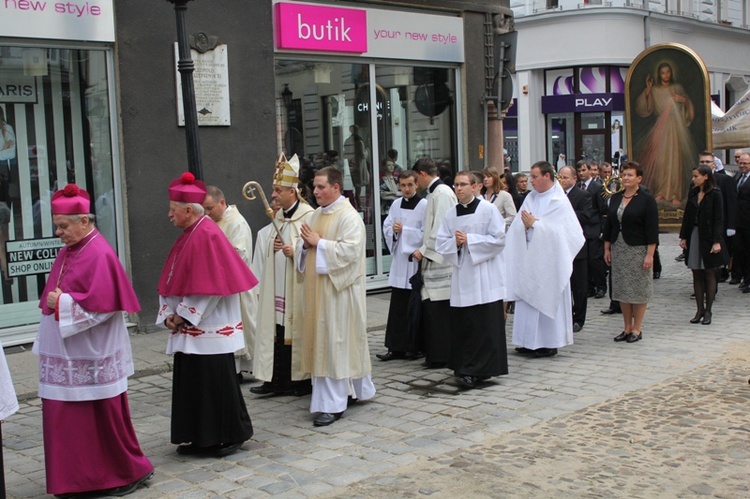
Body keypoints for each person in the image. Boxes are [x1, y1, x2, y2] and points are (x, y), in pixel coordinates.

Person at [32, 184, 153, 496]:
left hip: (91, 355)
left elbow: (104, 307)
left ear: (84, 221)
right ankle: (75, 479)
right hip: (69, 354)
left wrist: (64, 304)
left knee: (100, 420)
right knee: (67, 421)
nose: (58, 232)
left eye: (63, 225)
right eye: (56, 225)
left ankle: (120, 474)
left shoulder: (99, 253)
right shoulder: (70, 249)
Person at [157, 172, 256, 457]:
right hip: (190, 325)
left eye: (173, 209)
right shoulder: (190, 234)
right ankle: (200, 436)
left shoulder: (207, 234)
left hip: (208, 324)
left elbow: (210, 287)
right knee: (193, 383)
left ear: (189, 209)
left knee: (215, 385)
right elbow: (171, 278)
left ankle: (230, 434)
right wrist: (168, 314)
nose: (169, 215)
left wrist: (184, 316)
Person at [297, 166, 375, 426]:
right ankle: (351, 391)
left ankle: (333, 404)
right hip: (319, 291)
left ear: (336, 188)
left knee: (335, 345)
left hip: (339, 294)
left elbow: (350, 253)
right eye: (314, 186)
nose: (315, 191)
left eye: (321, 187)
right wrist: (305, 245)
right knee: (328, 344)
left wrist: (319, 243)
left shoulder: (349, 216)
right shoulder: (317, 214)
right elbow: (306, 245)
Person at [505, 161, 585, 358]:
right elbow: (517, 224)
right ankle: (527, 341)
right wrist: (524, 227)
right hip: (529, 255)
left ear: (547, 176)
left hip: (551, 260)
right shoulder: (531, 198)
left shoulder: (559, 201)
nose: (530, 181)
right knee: (527, 298)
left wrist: (535, 226)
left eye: (534, 177)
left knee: (547, 297)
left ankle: (548, 342)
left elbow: (565, 234)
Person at [251, 154, 315, 396]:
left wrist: (293, 250)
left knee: (294, 332)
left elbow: (314, 251)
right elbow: (269, 247)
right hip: (277, 287)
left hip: (296, 289)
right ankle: (274, 380)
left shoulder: (308, 216)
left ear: (293, 191)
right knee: (276, 333)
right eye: (273, 190)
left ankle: (299, 382)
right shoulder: (278, 216)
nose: (274, 196)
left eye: (278, 191)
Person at [436, 172, 507, 388]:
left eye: (463, 185)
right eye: (456, 185)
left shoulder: (488, 209)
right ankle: (465, 367)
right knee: (465, 324)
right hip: (463, 275)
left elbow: (499, 239)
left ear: (475, 186)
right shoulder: (450, 214)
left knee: (484, 324)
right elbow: (441, 243)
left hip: (485, 275)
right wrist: (455, 245)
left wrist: (470, 239)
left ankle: (483, 369)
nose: (458, 189)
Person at [203, 185, 257, 378]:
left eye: (210, 208)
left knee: (240, 325)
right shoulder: (211, 221)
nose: (207, 213)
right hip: (219, 284)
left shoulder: (237, 223)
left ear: (222, 202)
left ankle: (241, 370)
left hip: (236, 284)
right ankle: (230, 369)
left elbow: (239, 255)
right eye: (205, 209)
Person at [603, 162, 659, 343]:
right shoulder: (616, 197)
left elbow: (652, 229)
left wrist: (650, 254)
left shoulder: (646, 199)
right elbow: (609, 224)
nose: (626, 178)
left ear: (639, 178)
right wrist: (607, 247)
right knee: (622, 288)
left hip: (638, 248)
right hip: (619, 247)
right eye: (623, 174)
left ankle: (637, 328)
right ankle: (626, 327)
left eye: (630, 175)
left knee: (638, 289)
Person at [377, 170, 427, 361]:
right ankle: (394, 347)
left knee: (413, 306)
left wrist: (405, 231)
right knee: (397, 306)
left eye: (410, 185)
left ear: (416, 185)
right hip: (399, 261)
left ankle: (413, 347)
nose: (406, 189)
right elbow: (387, 226)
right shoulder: (396, 204)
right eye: (403, 185)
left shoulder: (424, 205)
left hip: (414, 260)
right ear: (398, 185)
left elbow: (427, 232)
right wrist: (394, 232)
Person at [412, 158, 457, 368]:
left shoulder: (442, 193)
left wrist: (423, 251)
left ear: (422, 173)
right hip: (434, 259)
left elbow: (441, 228)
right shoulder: (434, 193)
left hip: (441, 261)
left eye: (416, 178)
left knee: (440, 311)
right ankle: (436, 354)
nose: (416, 182)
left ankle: (442, 355)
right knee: (433, 310)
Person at [635, 61, 696, 205]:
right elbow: (646, 109)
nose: (666, 75)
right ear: (659, 74)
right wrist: (648, 90)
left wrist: (683, 100)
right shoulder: (655, 90)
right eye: (663, 72)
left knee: (675, 161)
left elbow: (688, 107)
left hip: (675, 128)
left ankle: (675, 193)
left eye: (668, 72)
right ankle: (661, 191)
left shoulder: (677, 88)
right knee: (661, 161)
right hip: (660, 128)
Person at [679, 165, 728, 325]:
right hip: (694, 234)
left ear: (705, 176)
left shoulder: (715, 193)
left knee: (709, 272)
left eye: (696, 176)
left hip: (708, 236)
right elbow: (687, 215)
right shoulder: (694, 192)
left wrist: (716, 241)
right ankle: (699, 309)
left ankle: (708, 310)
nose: (693, 179)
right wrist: (684, 236)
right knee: (696, 271)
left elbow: (719, 218)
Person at [558, 166, 597, 332]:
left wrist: (564, 213)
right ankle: (564, 316)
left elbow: (586, 216)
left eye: (566, 177)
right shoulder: (555, 196)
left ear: (574, 179)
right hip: (559, 246)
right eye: (560, 177)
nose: (562, 180)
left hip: (577, 246)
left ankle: (578, 318)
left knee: (579, 285)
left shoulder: (583, 195)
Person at [576, 160, 607, 299]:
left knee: (595, 259)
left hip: (594, 227)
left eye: (584, 170)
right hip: (581, 228)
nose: (581, 173)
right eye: (579, 171)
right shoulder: (577, 187)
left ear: (589, 170)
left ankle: (601, 286)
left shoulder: (597, 187)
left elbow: (602, 210)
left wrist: (602, 229)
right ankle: (588, 287)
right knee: (584, 260)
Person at [732, 153, 750, 291]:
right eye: (741, 163)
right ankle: (743, 277)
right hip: (738, 221)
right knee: (740, 250)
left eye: (746, 163)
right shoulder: (737, 176)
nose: (742, 165)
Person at [344, 124, 370, 210]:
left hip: (352, 166)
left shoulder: (347, 141)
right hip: (360, 166)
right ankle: (360, 205)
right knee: (362, 185)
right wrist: (367, 150)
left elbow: (346, 154)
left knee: (357, 186)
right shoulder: (359, 141)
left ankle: (358, 204)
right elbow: (363, 155)